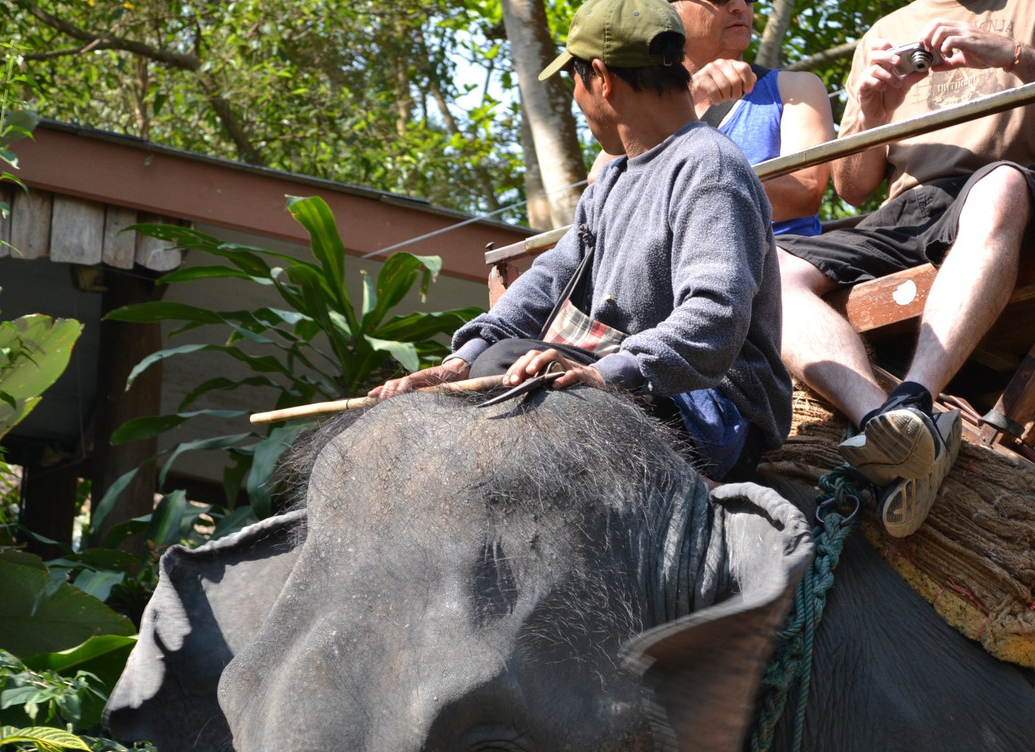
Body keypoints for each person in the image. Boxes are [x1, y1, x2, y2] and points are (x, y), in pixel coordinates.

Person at [371, 0, 791, 482]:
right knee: (494, 361)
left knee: (512, 367)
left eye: (573, 80)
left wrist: (605, 373)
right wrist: (460, 361)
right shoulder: (612, 180)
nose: (575, 96)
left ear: (601, 77)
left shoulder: (709, 165)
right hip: (634, 381)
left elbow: (715, 318)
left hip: (716, 408)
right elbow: (548, 283)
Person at [775, 1, 1035, 537]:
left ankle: (917, 393)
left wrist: (1013, 55)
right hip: (908, 209)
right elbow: (851, 185)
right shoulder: (885, 31)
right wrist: (873, 111)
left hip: (1011, 190)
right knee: (768, 267)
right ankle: (891, 424)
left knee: (1000, 186)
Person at [588, 0, 834, 236]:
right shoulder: (651, 105)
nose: (739, 6)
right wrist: (686, 98)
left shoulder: (796, 88)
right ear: (670, 11)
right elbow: (598, 183)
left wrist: (686, 188)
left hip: (778, 259)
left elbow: (805, 192)